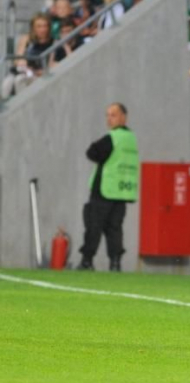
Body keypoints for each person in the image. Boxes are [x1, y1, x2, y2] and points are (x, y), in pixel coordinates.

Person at [77, 103, 139, 272]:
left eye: (113, 115)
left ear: (123, 117)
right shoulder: (131, 139)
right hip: (121, 191)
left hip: (104, 189)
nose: (109, 119)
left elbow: (92, 152)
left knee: (93, 226)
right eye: (107, 115)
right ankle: (115, 263)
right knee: (115, 229)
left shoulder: (113, 137)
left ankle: (87, 261)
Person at [1, 15, 57, 100]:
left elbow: (51, 65)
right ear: (33, 28)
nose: (42, 29)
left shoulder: (53, 42)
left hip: (38, 73)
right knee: (7, 82)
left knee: (19, 80)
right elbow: (17, 60)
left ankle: (22, 104)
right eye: (39, 26)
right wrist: (21, 62)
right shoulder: (26, 39)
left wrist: (37, 71)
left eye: (45, 26)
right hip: (23, 70)